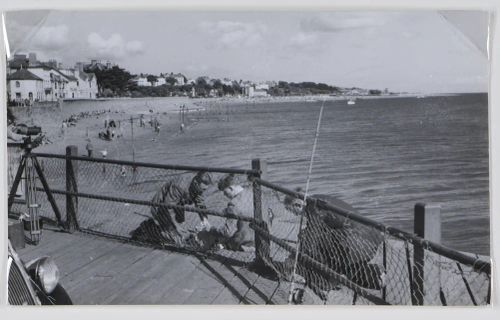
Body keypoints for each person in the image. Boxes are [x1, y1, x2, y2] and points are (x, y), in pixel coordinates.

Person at [282, 192, 383, 302]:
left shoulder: (313, 207)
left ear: (298, 204)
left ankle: (330, 278)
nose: (296, 215)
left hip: (358, 243)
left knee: (311, 241)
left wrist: (292, 260)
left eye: (292, 211)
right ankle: (375, 275)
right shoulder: (317, 200)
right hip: (368, 241)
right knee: (345, 266)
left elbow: (311, 238)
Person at [130, 172, 214, 247]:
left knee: (182, 233)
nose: (203, 191)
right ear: (196, 183)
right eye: (202, 189)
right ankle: (146, 228)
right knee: (175, 239)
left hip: (177, 206)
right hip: (161, 207)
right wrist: (176, 226)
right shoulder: (180, 185)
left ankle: (163, 227)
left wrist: (205, 220)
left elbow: (200, 203)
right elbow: (168, 207)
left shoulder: (197, 186)